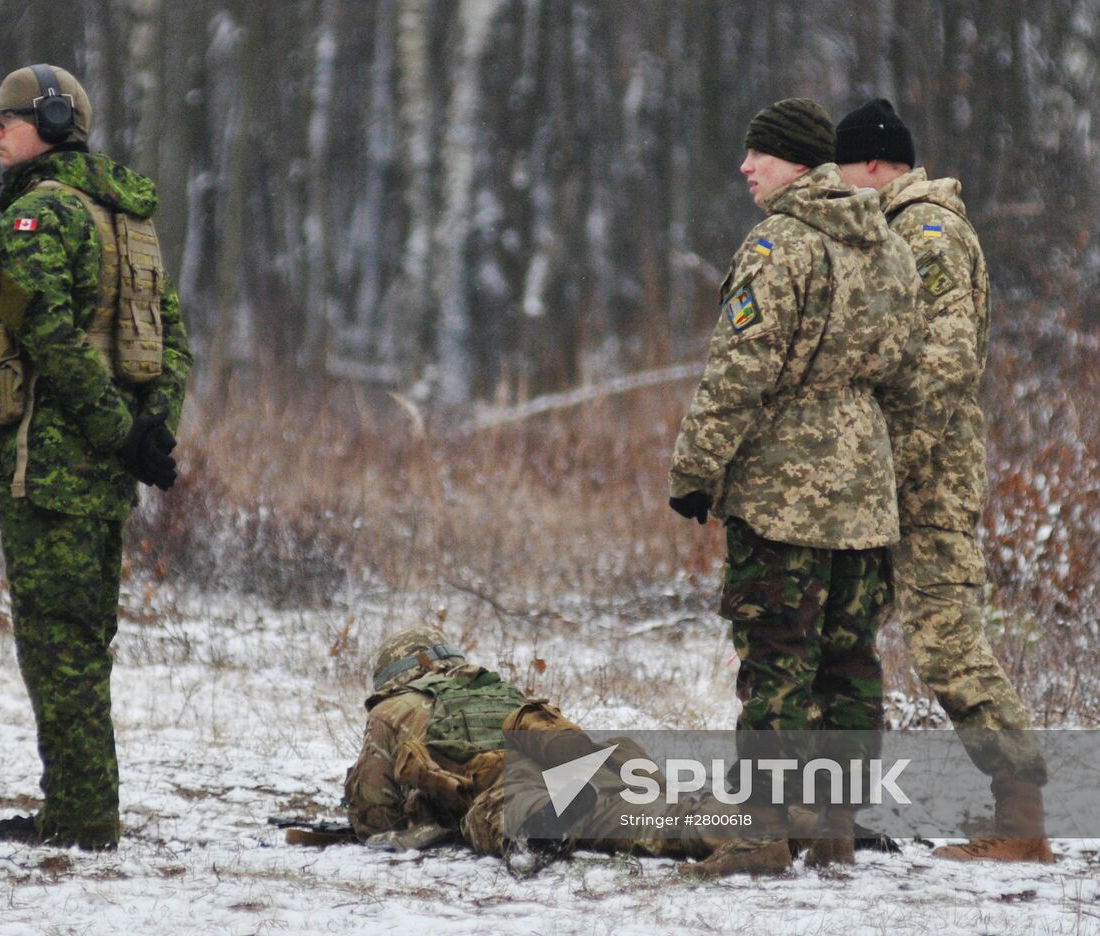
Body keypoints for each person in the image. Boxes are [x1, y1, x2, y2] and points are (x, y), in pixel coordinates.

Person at [668, 98, 926, 877]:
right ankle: (835, 829)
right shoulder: (886, 241)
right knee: (850, 665)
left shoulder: (779, 243)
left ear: (798, 162)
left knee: (777, 662)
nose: (747, 167)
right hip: (865, 491)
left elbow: (739, 371)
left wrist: (695, 469)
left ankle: (759, 835)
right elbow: (909, 370)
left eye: (761, 154)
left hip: (784, 491)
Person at [0, 64, 191, 850]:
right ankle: (77, 809)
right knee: (84, 642)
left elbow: (49, 340)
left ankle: (84, 820)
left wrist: (121, 433)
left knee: (58, 647)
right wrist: (150, 433)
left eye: (11, 116)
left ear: (55, 123)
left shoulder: (40, 216)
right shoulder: (126, 219)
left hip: (51, 471)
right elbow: (173, 341)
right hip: (105, 473)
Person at [834, 98, 1052, 863]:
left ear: (870, 165)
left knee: (948, 643)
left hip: (926, 481)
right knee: (848, 634)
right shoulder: (898, 228)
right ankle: (832, 810)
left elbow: (945, 363)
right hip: (901, 476)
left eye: (840, 169)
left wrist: (893, 462)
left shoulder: (927, 231)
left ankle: (1021, 818)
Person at [343, 628, 730, 867]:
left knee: (494, 815)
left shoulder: (391, 709)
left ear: (393, 674)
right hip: (581, 768)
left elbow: (376, 813)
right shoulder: (488, 685)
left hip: (506, 787)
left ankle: (540, 825)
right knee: (657, 817)